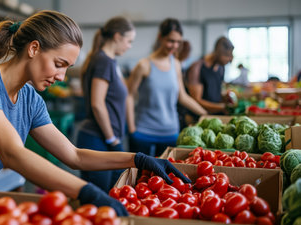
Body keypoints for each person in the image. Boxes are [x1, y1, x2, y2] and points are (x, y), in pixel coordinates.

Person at [0, 10, 190, 216]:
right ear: (34, 48)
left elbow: (74, 156)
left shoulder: (30, 100)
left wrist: (137, 160)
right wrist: (86, 192)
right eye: (59, 63)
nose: (61, 76)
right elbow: (12, 153)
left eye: (67, 68)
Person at [126, 18, 207, 157]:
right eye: (170, 41)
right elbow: (129, 96)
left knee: (165, 176)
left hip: (170, 133)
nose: (174, 46)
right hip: (143, 132)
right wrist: (132, 129)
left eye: (178, 42)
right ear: (160, 38)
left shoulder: (175, 64)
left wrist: (205, 114)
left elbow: (182, 97)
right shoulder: (143, 65)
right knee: (138, 176)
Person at [76, 16, 136, 192]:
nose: (129, 46)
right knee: (101, 199)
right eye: (129, 41)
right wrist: (112, 139)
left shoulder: (107, 60)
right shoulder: (104, 61)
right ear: (117, 36)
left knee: (108, 195)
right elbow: (97, 103)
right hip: (99, 139)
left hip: (104, 139)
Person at [186, 36, 234, 114]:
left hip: (216, 115)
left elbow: (215, 93)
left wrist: (225, 97)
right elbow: (196, 100)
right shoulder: (197, 67)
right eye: (227, 55)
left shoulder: (221, 68)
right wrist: (222, 107)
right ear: (218, 52)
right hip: (200, 116)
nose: (230, 59)